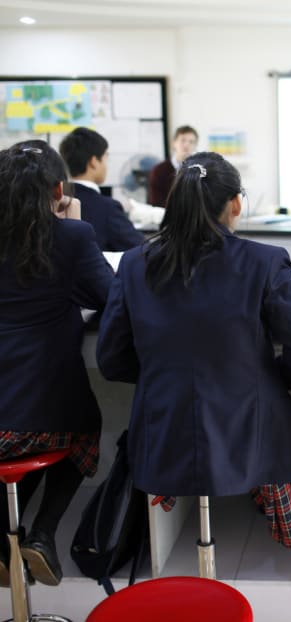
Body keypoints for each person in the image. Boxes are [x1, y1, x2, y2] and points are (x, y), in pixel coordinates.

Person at [96, 152, 291, 546]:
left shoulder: (135, 264)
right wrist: (269, 379)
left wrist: (164, 376)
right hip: (252, 438)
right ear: (236, 203)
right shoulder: (265, 262)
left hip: (163, 432)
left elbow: (111, 359)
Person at [0, 140, 114, 586]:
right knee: (81, 429)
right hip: (42, 412)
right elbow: (108, 296)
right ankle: (42, 535)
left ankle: (8, 540)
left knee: (17, 441)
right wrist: (76, 226)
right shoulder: (69, 235)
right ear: (58, 189)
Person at [59, 127, 145, 252]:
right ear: (94, 162)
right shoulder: (107, 207)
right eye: (105, 157)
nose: (106, 164)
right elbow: (141, 249)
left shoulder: (56, 200)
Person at [148, 125, 199, 207]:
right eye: (183, 140)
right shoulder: (159, 171)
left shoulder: (200, 170)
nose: (186, 145)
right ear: (174, 143)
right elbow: (156, 202)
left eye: (191, 142)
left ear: (195, 146)